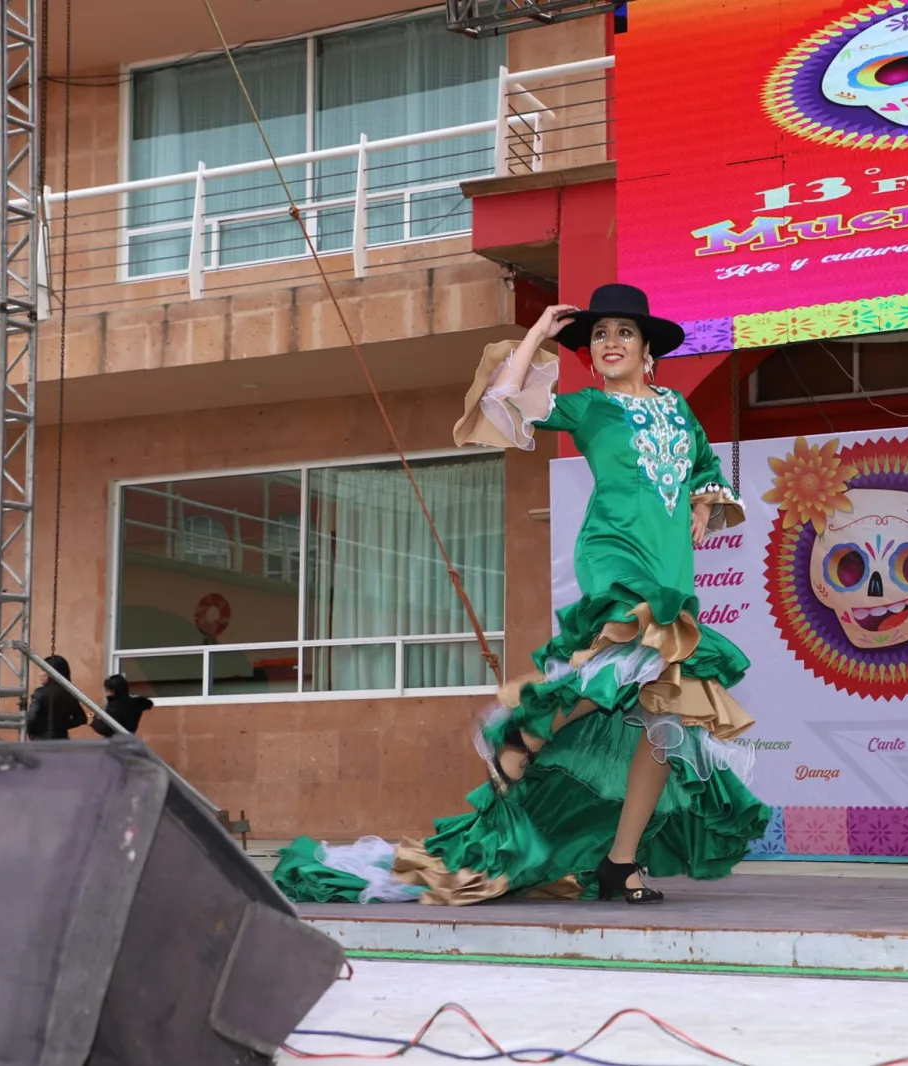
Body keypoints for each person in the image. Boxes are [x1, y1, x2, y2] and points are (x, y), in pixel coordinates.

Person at [275, 283, 769, 906]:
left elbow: (703, 468)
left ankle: (622, 863)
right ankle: (520, 734)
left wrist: (702, 502)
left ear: (648, 348)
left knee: (662, 719)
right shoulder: (589, 408)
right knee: (630, 660)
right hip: (615, 553)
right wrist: (538, 333)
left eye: (622, 332)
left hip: (674, 568)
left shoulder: (677, 409)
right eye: (598, 335)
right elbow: (506, 401)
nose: (609, 342)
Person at [26, 654, 87, 740]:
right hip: (62, 740)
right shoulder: (69, 693)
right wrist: (61, 726)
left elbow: (31, 717)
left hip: (41, 741)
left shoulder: (40, 693)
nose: (40, 674)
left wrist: (31, 730)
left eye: (44, 670)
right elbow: (81, 718)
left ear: (52, 673)